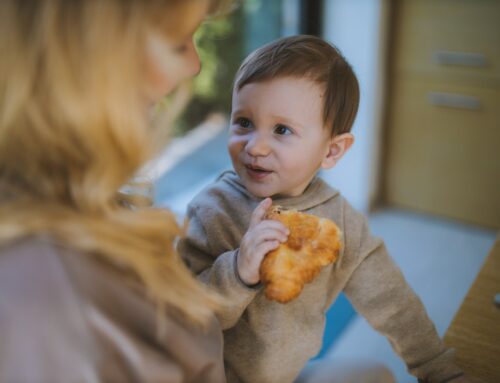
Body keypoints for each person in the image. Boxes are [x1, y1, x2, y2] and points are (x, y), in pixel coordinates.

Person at [178, 35, 472, 383]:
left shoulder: (339, 221)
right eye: (243, 122)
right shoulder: (213, 210)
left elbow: (392, 302)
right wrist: (238, 272)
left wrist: (441, 372)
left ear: (331, 151)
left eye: (282, 129)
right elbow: (184, 320)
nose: (255, 147)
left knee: (376, 375)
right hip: (209, 377)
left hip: (285, 375)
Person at [0, 0, 231, 382]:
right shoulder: (50, 298)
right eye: (177, 43)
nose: (194, 66)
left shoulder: (75, 201)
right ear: (82, 55)